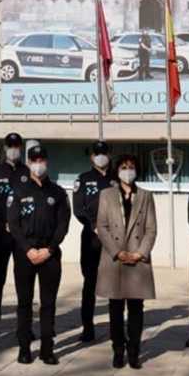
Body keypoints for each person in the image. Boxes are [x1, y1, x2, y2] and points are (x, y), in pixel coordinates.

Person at [7, 144, 70, 365]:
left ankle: (47, 349)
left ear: (47, 162)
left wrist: (49, 249)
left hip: (49, 253)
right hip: (25, 253)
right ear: (29, 163)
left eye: (42, 160)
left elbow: (63, 224)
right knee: (24, 303)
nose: (38, 164)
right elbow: (13, 224)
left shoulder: (58, 192)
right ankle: (24, 348)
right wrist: (27, 249)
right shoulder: (18, 190)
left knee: (48, 304)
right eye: (34, 160)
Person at [94, 153, 157, 370]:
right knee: (115, 308)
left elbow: (151, 229)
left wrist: (140, 253)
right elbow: (102, 226)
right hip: (115, 259)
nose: (127, 171)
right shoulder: (106, 195)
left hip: (137, 260)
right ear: (117, 170)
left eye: (131, 167)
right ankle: (118, 350)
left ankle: (134, 351)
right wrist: (116, 252)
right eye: (123, 166)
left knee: (137, 308)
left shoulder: (146, 196)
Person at [72, 140, 115, 342]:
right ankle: (87, 327)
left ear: (110, 155)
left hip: (115, 239)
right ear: (92, 157)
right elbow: (78, 209)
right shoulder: (83, 179)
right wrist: (94, 225)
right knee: (90, 283)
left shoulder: (117, 179)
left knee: (116, 283)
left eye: (104, 153)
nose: (101, 156)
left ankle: (116, 328)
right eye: (97, 153)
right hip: (92, 237)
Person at [0, 132, 28, 337]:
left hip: (21, 236)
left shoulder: (27, 172)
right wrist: (1, 224)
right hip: (0, 233)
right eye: (10, 146)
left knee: (23, 280)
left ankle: (24, 327)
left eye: (17, 146)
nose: (14, 150)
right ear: (5, 148)